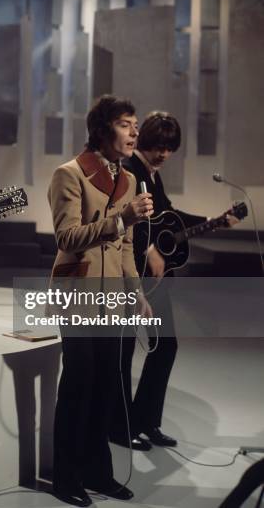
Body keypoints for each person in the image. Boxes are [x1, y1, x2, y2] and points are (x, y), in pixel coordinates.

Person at [47, 94, 153, 507]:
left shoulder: (126, 179)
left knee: (108, 384)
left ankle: (98, 471)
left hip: (112, 299)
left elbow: (125, 248)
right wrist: (122, 218)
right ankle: (65, 476)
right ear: (103, 129)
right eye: (126, 123)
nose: (134, 132)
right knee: (79, 384)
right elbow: (67, 238)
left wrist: (137, 293)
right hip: (78, 291)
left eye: (135, 124)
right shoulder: (69, 173)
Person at [110, 111, 238, 451]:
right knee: (122, 354)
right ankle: (119, 428)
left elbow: (169, 213)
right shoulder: (129, 171)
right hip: (128, 276)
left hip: (156, 278)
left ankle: (146, 421)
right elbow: (125, 221)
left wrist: (213, 221)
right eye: (159, 146)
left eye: (170, 148)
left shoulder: (153, 175)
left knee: (165, 346)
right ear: (145, 141)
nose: (164, 154)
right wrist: (150, 246)